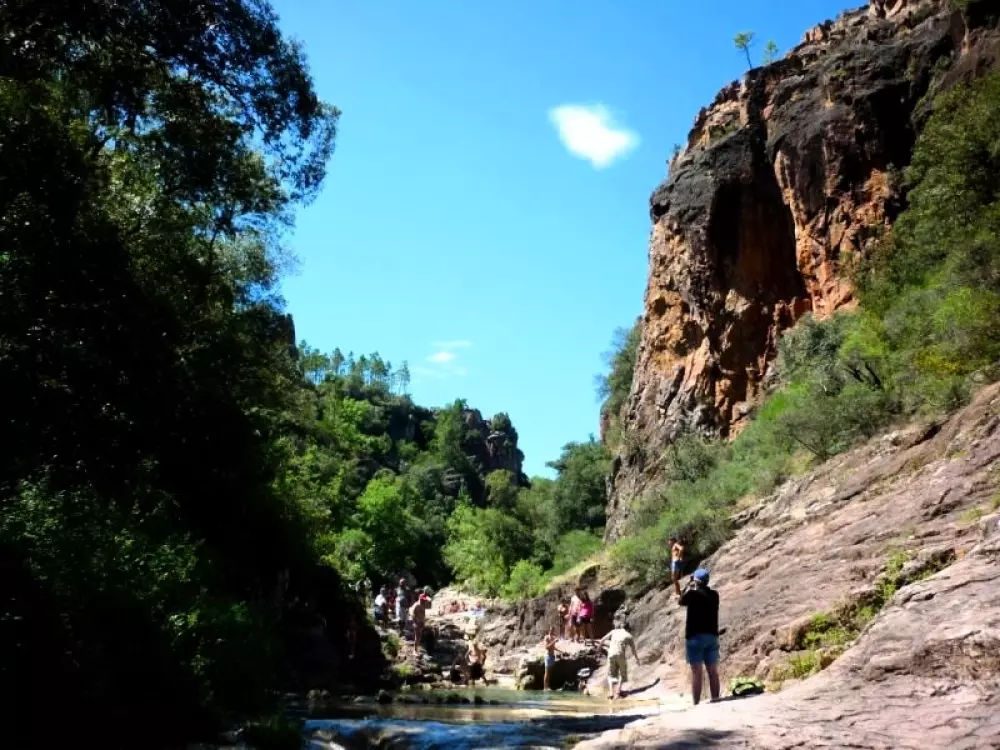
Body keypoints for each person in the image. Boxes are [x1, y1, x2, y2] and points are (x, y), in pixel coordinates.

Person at [678, 568, 721, 705]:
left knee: (696, 672)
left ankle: (696, 703)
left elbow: (681, 600)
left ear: (696, 580)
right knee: (713, 671)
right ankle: (716, 699)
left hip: (695, 636)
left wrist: (688, 584)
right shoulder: (715, 595)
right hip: (712, 636)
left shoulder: (692, 594)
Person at [600, 621, 639, 700]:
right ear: (628, 628)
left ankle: (611, 693)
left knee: (610, 674)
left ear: (621, 626)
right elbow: (633, 650)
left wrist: (599, 648)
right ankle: (618, 691)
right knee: (622, 673)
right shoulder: (629, 636)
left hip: (611, 654)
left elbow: (602, 640)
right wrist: (637, 659)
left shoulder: (614, 631)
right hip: (620, 654)